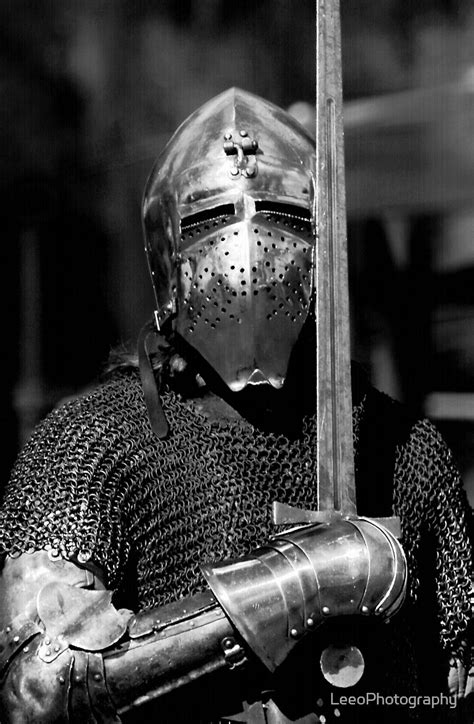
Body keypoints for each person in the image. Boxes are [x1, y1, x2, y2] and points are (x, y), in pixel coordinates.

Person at [0, 88, 472, 724]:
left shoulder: (403, 448)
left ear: (322, 249)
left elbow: (457, 683)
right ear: (167, 255)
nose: (248, 248)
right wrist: (291, 589)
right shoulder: (92, 445)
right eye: (209, 222)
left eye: (283, 217)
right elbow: (39, 687)